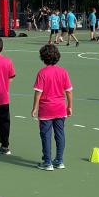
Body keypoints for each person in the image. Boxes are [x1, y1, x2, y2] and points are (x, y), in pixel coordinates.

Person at [31, 43, 73, 171]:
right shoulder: (63, 71)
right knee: (60, 134)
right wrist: (70, 106)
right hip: (60, 108)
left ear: (43, 57)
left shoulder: (42, 73)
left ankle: (47, 162)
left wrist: (35, 108)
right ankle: (59, 161)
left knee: (46, 135)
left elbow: (38, 93)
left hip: (46, 109)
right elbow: (69, 91)